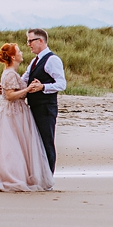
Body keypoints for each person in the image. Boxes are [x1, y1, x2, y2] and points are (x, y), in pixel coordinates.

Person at [0, 43, 54, 192]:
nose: (22, 53)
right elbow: (10, 96)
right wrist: (28, 89)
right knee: (12, 145)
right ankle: (12, 177)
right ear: (12, 56)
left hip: (18, 112)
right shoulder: (10, 73)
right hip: (13, 112)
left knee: (17, 145)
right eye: (18, 51)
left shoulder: (12, 73)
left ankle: (18, 176)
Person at [22, 28, 66, 173]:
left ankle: (48, 177)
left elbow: (61, 84)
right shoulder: (35, 61)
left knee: (46, 142)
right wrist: (6, 86)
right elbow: (24, 80)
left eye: (30, 41)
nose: (28, 44)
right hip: (34, 107)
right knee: (36, 143)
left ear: (40, 41)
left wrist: (43, 87)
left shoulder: (52, 60)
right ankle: (40, 174)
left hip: (46, 108)